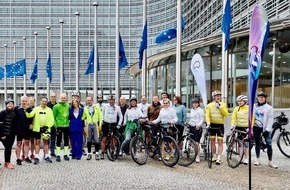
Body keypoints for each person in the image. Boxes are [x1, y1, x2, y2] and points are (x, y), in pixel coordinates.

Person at [26, 97, 54, 164]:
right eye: (43, 101)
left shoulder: (49, 110)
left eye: (45, 101)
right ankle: (37, 157)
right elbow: (29, 116)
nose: (44, 102)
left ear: (47, 102)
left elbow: (52, 120)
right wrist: (28, 111)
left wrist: (48, 126)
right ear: (40, 101)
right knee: (37, 142)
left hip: (46, 128)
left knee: (46, 142)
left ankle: (47, 156)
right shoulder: (36, 109)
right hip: (37, 128)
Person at [253, 91, 278, 168]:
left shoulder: (269, 108)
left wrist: (267, 130)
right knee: (257, 143)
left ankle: (270, 161)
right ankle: (257, 159)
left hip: (265, 129)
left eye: (262, 97)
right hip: (256, 127)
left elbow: (270, 120)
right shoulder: (254, 106)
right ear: (258, 98)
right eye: (259, 97)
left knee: (269, 145)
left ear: (265, 98)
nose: (261, 98)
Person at [206, 90, 229, 165]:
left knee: (220, 141)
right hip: (212, 125)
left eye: (219, 96)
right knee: (212, 141)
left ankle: (219, 157)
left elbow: (226, 114)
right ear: (213, 97)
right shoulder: (209, 105)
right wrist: (208, 123)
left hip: (220, 125)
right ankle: (214, 156)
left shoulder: (223, 104)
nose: (218, 97)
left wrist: (220, 107)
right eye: (216, 96)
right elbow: (207, 115)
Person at [100, 95, 123, 159]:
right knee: (104, 138)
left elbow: (121, 116)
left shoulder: (117, 107)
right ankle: (102, 152)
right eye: (110, 100)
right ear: (108, 100)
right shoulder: (105, 106)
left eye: (112, 100)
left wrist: (119, 124)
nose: (111, 101)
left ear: (114, 100)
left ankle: (114, 150)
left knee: (114, 139)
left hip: (114, 124)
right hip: (106, 123)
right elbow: (102, 114)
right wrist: (102, 121)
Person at [231, 95, 250, 165]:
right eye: (238, 101)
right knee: (240, 144)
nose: (239, 102)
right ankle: (240, 157)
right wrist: (232, 125)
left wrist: (250, 128)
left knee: (246, 144)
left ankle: (246, 158)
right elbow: (234, 118)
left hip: (246, 128)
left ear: (245, 101)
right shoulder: (236, 109)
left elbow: (252, 118)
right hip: (238, 127)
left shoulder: (249, 108)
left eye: (241, 101)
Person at [82, 96, 102, 160]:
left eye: (90, 100)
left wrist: (100, 125)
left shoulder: (97, 107)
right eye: (87, 100)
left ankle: (97, 153)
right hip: (88, 125)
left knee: (96, 140)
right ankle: (89, 154)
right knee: (89, 140)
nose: (88, 102)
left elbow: (100, 117)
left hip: (95, 124)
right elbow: (83, 117)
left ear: (92, 100)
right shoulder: (85, 108)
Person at [14, 96, 32, 165]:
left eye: (25, 101)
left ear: (27, 101)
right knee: (19, 143)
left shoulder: (30, 109)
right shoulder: (16, 109)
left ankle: (26, 157)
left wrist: (31, 124)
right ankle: (18, 159)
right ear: (21, 101)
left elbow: (32, 118)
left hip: (27, 129)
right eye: (23, 101)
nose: (24, 102)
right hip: (19, 129)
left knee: (27, 143)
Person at [53, 93, 70, 162]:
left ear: (66, 98)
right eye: (62, 98)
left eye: (64, 98)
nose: (63, 99)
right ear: (60, 98)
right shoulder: (56, 106)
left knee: (66, 140)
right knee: (58, 141)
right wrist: (55, 126)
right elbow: (53, 117)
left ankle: (66, 154)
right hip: (59, 126)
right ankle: (58, 155)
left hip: (66, 126)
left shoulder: (68, 106)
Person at [0, 99, 17, 169]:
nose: (10, 105)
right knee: (8, 147)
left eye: (11, 104)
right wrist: (2, 135)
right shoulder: (2, 113)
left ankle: (7, 162)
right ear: (6, 105)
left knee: (9, 147)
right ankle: (7, 162)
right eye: (8, 104)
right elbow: (0, 125)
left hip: (11, 134)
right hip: (3, 134)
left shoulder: (14, 113)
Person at [188, 98, 204, 163]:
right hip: (191, 127)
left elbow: (202, 119)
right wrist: (189, 123)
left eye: (196, 103)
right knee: (192, 142)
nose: (194, 104)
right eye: (193, 103)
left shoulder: (200, 110)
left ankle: (197, 156)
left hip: (197, 128)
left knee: (197, 143)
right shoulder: (192, 110)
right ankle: (194, 153)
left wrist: (199, 125)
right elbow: (191, 119)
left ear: (198, 104)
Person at [47, 92, 57, 158]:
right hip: (47, 124)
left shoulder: (57, 105)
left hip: (54, 124)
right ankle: (46, 153)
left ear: (56, 97)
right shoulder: (47, 104)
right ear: (50, 97)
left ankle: (52, 152)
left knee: (53, 139)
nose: (53, 98)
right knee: (47, 139)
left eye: (54, 96)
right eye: (52, 96)